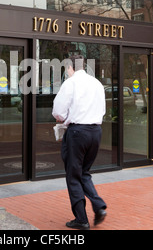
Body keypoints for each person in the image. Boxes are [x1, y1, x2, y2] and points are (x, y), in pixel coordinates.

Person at [52, 54, 107, 230]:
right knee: (84, 172)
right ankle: (98, 205)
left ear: (70, 67)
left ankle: (81, 219)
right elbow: (103, 109)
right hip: (96, 131)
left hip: (77, 133)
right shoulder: (97, 83)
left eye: (66, 69)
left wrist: (65, 118)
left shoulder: (70, 83)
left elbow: (58, 111)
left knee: (73, 175)